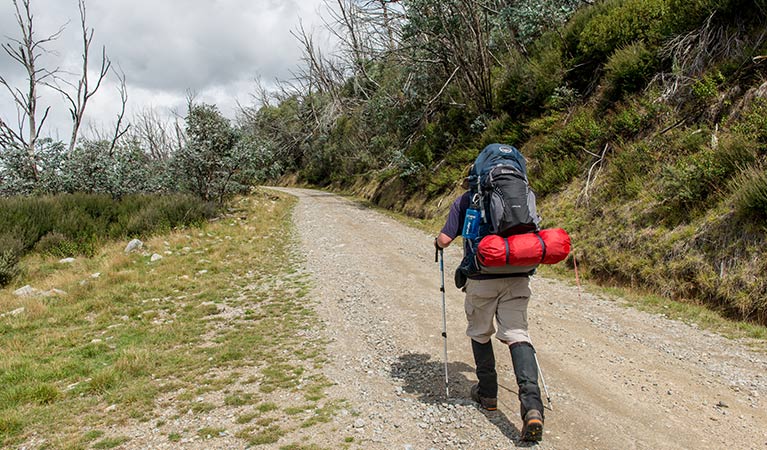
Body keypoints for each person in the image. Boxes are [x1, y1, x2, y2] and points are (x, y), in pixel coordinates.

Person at [434, 178, 545, 443]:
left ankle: (488, 394)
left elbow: (445, 239)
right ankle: (532, 406)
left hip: (481, 277)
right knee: (518, 334)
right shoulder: (523, 193)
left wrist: (437, 244)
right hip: (518, 273)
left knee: (480, 332)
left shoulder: (467, 199)